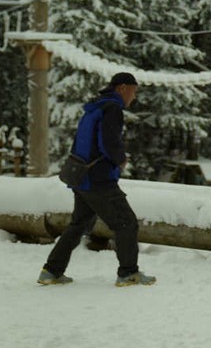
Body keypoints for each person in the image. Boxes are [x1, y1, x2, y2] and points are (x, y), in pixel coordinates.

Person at [37, 72, 156, 288]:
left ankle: (51, 271)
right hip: (98, 179)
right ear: (122, 88)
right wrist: (120, 160)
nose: (134, 96)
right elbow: (108, 142)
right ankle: (128, 273)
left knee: (79, 224)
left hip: (80, 175)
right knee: (126, 222)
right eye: (133, 90)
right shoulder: (112, 109)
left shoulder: (96, 107)